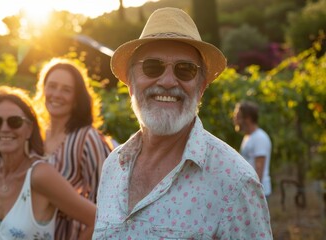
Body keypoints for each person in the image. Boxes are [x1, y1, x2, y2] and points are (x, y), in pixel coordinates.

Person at [93, 7, 272, 239]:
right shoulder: (112, 167)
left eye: (185, 70)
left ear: (201, 88)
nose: (167, 81)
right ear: (130, 83)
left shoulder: (235, 183)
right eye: (152, 67)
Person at [0, 86, 96, 240]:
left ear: (29, 129)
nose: (4, 129)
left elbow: (97, 219)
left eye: (15, 122)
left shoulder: (40, 175)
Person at [33, 58, 114, 240]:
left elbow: (108, 204)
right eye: (52, 86)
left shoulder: (87, 138)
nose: (57, 94)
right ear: (43, 89)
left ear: (77, 99)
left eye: (66, 90)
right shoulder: (36, 136)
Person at [233, 100, 272, 198]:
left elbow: (259, 169)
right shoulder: (248, 137)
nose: (235, 120)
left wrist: (252, 194)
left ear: (248, 118)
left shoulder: (259, 138)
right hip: (250, 191)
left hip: (258, 193)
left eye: (238, 117)